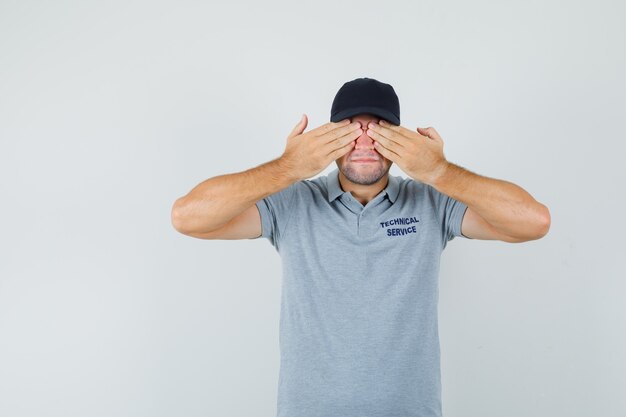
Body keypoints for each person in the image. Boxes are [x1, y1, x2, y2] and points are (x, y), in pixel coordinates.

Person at [171, 77, 551, 417]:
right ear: (328, 137)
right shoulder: (291, 202)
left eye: (380, 130)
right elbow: (188, 217)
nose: (365, 141)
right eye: (351, 130)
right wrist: (288, 166)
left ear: (402, 141)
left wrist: (440, 172)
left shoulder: (432, 202)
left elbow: (533, 222)